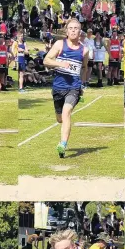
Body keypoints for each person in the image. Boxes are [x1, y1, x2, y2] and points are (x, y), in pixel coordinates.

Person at [43, 18, 89, 158]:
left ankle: (63, 144)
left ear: (80, 31)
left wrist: (82, 84)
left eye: (76, 28)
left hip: (73, 88)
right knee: (60, 118)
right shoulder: (59, 44)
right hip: (58, 87)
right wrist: (60, 64)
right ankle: (64, 131)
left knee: (66, 112)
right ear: (67, 31)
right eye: (71, 28)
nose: (74, 30)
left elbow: (85, 68)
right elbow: (46, 60)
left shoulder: (84, 50)